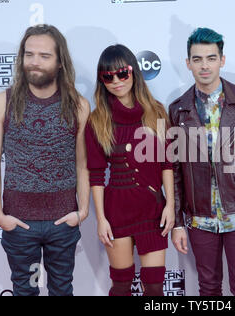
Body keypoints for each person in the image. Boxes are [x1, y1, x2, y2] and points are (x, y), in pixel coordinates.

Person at [0, 24, 91, 296]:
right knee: (26, 291)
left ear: (59, 62)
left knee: (61, 291)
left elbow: (82, 164)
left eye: (44, 56)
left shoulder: (78, 105)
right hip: (20, 225)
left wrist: (83, 210)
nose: (34, 62)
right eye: (29, 54)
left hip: (62, 224)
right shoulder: (1, 103)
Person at [169, 27, 235, 296]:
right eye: (197, 59)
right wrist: (178, 223)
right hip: (199, 218)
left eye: (211, 58)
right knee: (208, 289)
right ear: (188, 63)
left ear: (222, 60)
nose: (204, 66)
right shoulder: (177, 110)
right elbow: (175, 173)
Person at [85, 44, 175, 296]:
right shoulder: (98, 120)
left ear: (133, 72)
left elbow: (167, 163)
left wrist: (170, 206)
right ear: (102, 80)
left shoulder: (156, 111)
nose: (116, 81)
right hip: (118, 212)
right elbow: (96, 174)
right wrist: (101, 219)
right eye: (108, 76)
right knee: (122, 285)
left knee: (155, 288)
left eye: (122, 73)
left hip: (152, 209)